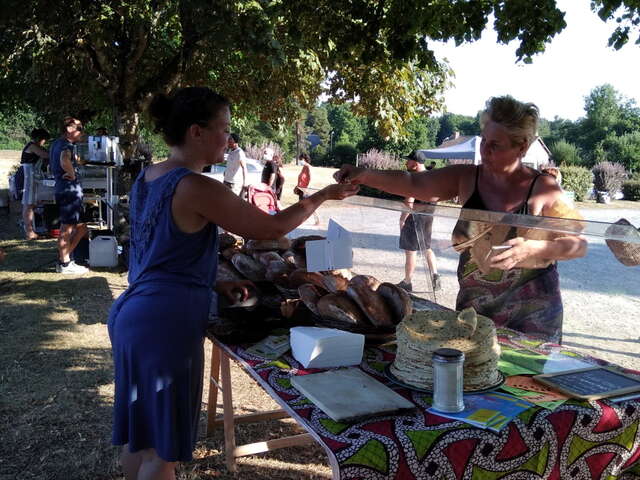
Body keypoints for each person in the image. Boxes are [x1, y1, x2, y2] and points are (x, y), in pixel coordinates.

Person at [107, 86, 357, 480]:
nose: (229, 137)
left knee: (140, 441)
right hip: (165, 325)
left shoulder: (148, 176)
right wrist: (322, 195)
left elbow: (163, 251)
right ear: (196, 132)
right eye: (223, 128)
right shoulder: (196, 185)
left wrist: (209, 284)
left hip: (134, 315)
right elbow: (270, 227)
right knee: (162, 455)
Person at [335, 95, 587, 343]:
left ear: (521, 146)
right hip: (475, 313)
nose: (484, 151)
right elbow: (413, 182)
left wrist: (536, 248)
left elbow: (579, 243)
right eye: (484, 141)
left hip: (533, 319)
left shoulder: (544, 188)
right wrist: (365, 175)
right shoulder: (467, 178)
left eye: (495, 145)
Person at [49, 117, 89, 274]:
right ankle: (65, 264)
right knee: (67, 228)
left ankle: (64, 258)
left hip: (64, 189)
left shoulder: (57, 144)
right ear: (70, 130)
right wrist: (71, 174)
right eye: (80, 128)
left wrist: (76, 164)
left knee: (81, 227)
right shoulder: (66, 145)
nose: (82, 132)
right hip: (69, 189)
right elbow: (64, 160)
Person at [396, 151, 440, 293]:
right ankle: (435, 276)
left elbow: (409, 201)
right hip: (428, 218)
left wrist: (403, 219)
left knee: (411, 251)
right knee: (426, 248)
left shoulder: (414, 178)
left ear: (415, 164)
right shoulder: (433, 177)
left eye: (408, 161)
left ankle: (407, 281)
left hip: (414, 218)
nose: (406, 163)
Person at [21, 128, 50, 240]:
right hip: (29, 177)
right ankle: (29, 232)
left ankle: (31, 230)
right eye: (44, 140)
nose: (44, 142)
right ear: (39, 138)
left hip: (33, 177)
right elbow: (46, 155)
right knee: (28, 204)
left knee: (30, 204)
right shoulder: (32, 146)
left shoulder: (35, 146)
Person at [293, 153, 320, 225]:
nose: (300, 161)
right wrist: (297, 186)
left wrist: (307, 190)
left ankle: (302, 220)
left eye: (301, 159)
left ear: (305, 159)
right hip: (301, 189)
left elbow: (310, 179)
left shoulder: (308, 167)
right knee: (304, 205)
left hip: (306, 190)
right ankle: (316, 219)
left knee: (305, 205)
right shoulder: (304, 167)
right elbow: (301, 178)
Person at [223, 133, 248, 197]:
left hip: (234, 184)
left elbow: (244, 168)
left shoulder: (240, 152)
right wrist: (226, 172)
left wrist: (245, 182)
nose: (228, 141)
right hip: (226, 181)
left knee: (231, 203)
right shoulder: (231, 152)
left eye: (230, 139)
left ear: (235, 141)